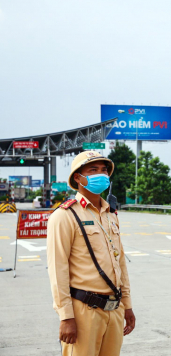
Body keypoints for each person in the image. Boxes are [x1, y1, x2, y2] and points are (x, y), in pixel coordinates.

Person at [47, 151, 135, 356]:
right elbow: (57, 269)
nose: (101, 174)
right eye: (93, 170)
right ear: (78, 178)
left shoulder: (111, 215)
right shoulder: (64, 216)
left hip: (114, 308)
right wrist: (66, 316)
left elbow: (120, 262)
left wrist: (127, 305)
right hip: (84, 311)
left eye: (104, 170)